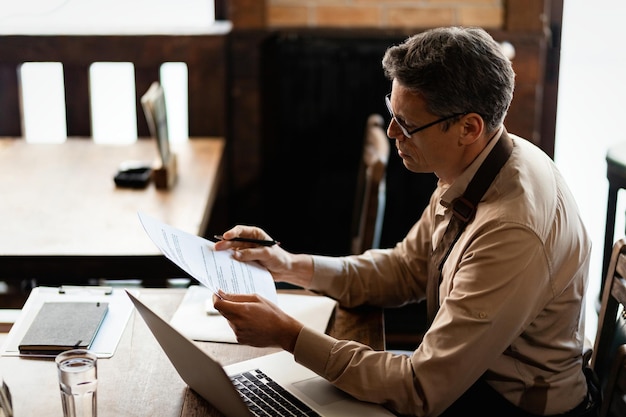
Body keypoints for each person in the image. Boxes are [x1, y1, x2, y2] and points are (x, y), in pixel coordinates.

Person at [213, 26, 597, 416]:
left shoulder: (511, 228)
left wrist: (287, 335)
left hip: (509, 405)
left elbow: (420, 388)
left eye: (409, 124)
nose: (394, 131)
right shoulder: (479, 163)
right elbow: (405, 269)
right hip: (466, 381)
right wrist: (288, 264)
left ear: (469, 127)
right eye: (392, 112)